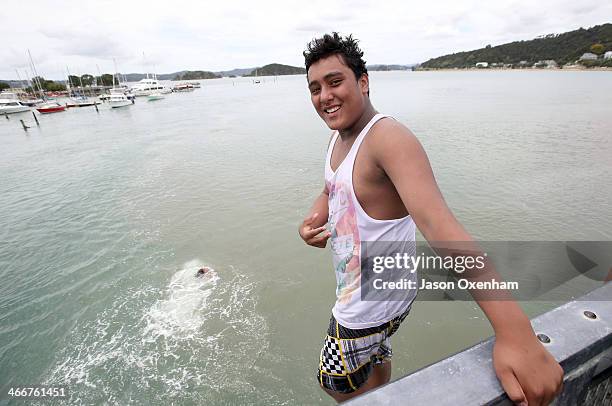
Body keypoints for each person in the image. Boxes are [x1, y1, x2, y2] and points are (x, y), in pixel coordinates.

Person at [299, 32, 563, 404]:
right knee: (372, 356)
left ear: (363, 81)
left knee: (334, 381)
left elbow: (442, 228)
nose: (324, 96)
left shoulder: (388, 139)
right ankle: (382, 381)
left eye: (335, 81)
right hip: (383, 290)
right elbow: (332, 188)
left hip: (367, 304)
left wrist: (516, 333)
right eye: (314, 88)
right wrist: (313, 219)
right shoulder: (339, 138)